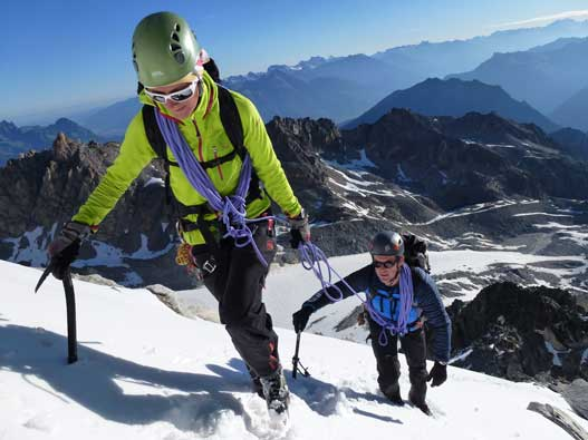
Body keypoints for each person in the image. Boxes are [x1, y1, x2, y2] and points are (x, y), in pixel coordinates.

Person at [47, 11, 310, 417]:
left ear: (199, 69)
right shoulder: (150, 124)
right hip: (198, 235)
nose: (173, 106)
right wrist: (77, 229)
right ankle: (261, 358)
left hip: (251, 221)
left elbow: (271, 168)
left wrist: (296, 217)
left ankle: (270, 379)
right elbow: (116, 180)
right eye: (159, 97)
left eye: (182, 93)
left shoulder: (237, 111)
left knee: (237, 314)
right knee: (240, 311)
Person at [292, 231, 450, 414]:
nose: (382, 269)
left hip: (411, 326)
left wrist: (441, 363)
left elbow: (442, 322)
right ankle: (393, 401)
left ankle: (418, 401)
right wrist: (309, 307)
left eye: (388, 263)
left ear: (400, 261)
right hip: (381, 323)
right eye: (377, 263)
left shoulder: (419, 282)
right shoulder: (369, 276)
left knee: (419, 373)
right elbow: (337, 290)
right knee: (387, 378)